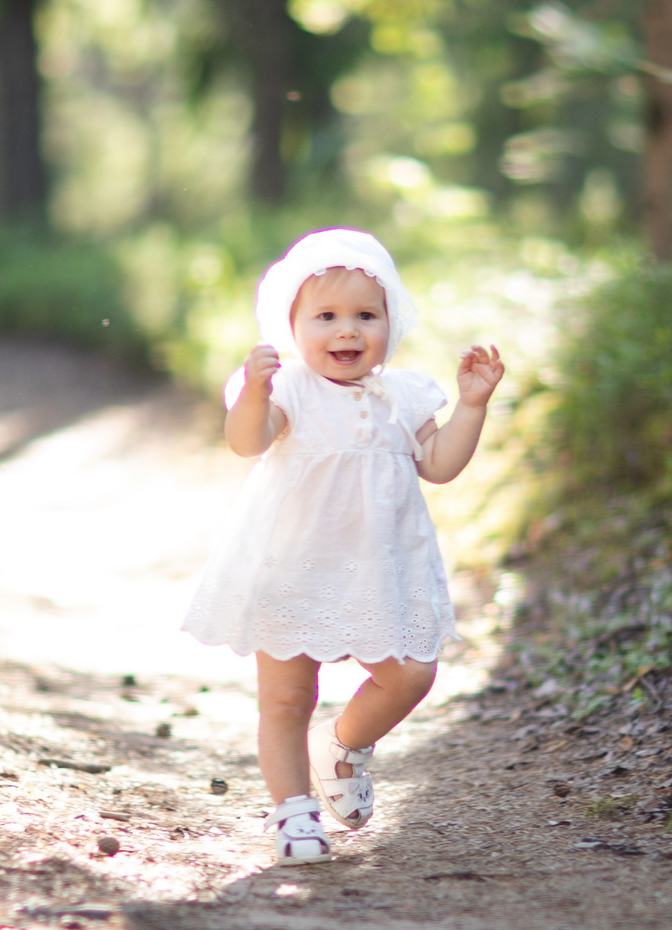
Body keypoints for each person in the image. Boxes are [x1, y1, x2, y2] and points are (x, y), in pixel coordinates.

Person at [182, 229, 506, 865]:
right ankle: (294, 814)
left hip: (378, 571)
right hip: (289, 566)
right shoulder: (289, 390)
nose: (347, 331)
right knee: (284, 699)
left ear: (391, 323)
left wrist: (471, 406)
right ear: (293, 326)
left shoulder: (404, 394)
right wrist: (252, 391)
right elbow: (248, 442)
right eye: (325, 317)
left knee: (412, 673)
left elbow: (438, 465)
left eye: (366, 316)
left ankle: (344, 744)